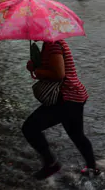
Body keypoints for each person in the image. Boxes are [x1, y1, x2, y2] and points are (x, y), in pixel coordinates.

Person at [23, 40, 99, 179]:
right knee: (77, 135)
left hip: (66, 98)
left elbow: (59, 74)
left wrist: (37, 70)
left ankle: (51, 163)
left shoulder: (52, 45)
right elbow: (51, 70)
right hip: (73, 96)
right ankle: (92, 168)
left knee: (29, 128)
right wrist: (34, 68)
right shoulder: (50, 44)